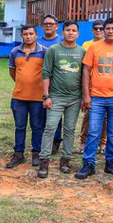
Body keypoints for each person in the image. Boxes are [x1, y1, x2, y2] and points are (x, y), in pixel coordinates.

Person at [76, 18, 113, 179]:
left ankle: (111, 162)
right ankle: (88, 163)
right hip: (96, 97)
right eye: (107, 28)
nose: (109, 31)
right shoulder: (94, 48)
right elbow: (86, 71)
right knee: (93, 132)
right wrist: (86, 95)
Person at [38, 21, 86, 178]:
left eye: (73, 30)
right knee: (50, 127)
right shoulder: (53, 50)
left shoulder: (82, 52)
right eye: (68, 30)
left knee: (70, 129)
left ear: (78, 34)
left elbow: (85, 76)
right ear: (63, 32)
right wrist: (46, 96)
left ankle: (65, 160)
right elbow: (46, 73)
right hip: (56, 97)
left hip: (74, 98)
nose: (70, 33)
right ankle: (44, 161)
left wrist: (85, 97)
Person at [6, 25, 46, 169]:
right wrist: (22, 83)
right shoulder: (15, 52)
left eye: (31, 33)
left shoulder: (44, 52)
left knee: (37, 126)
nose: (28, 36)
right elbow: (13, 72)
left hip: (38, 98)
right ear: (21, 36)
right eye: (25, 34)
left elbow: (47, 74)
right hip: (19, 97)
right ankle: (18, 154)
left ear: (36, 35)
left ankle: (36, 153)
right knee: (20, 126)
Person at [77, 20, 107, 154]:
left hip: (104, 85)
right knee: (88, 115)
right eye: (96, 28)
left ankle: (103, 143)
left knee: (105, 117)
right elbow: (84, 67)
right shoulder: (87, 45)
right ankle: (83, 142)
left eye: (101, 28)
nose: (99, 31)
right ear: (92, 30)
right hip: (90, 84)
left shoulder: (109, 44)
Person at [39, 14, 63, 152]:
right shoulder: (36, 41)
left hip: (58, 83)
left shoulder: (62, 41)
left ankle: (56, 140)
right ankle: (42, 139)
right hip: (40, 83)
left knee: (56, 113)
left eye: (51, 23)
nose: (48, 26)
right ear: (42, 26)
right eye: (46, 24)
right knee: (40, 113)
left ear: (56, 26)